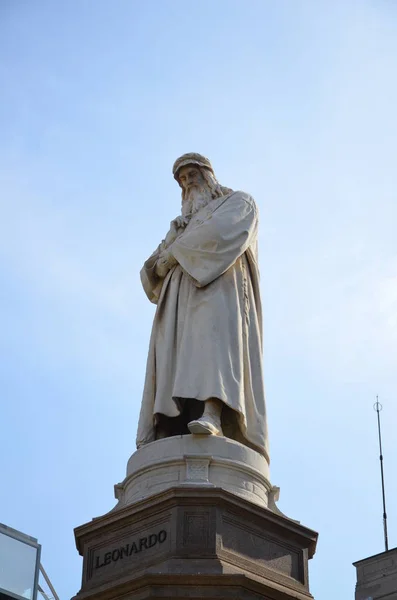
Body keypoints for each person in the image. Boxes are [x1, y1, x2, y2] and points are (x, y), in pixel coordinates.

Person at [136, 153, 269, 460]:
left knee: (214, 349)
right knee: (173, 357)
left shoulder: (238, 202)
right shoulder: (181, 225)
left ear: (208, 175)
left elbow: (221, 235)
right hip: (178, 301)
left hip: (217, 289)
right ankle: (170, 424)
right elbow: (151, 269)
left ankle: (213, 413)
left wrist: (174, 253)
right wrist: (172, 241)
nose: (188, 183)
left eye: (192, 175)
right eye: (182, 180)